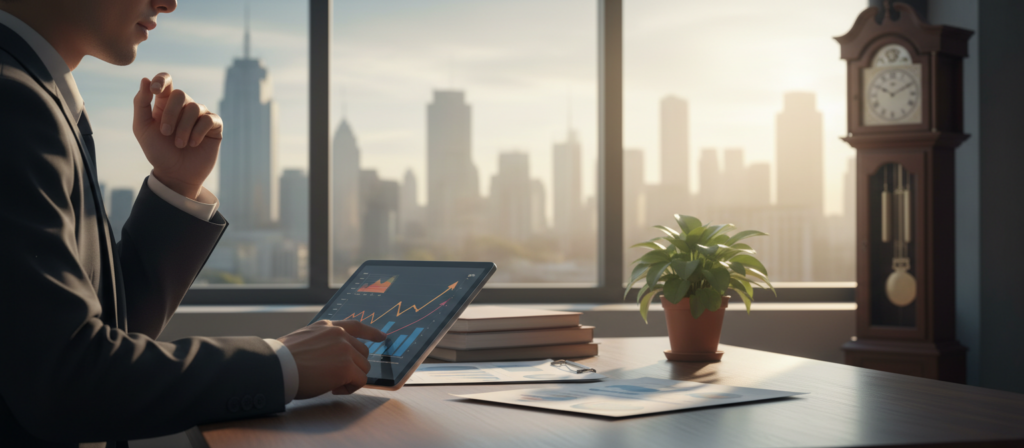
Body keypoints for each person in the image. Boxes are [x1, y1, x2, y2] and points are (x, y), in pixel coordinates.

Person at [0, 0, 386, 446]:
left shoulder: (35, 94)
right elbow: (65, 380)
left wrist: (176, 184)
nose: (170, 2)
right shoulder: (13, 100)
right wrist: (281, 363)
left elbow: (104, 331)